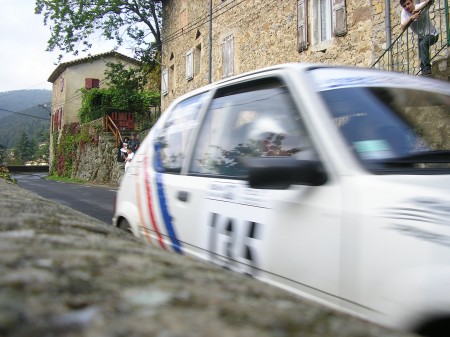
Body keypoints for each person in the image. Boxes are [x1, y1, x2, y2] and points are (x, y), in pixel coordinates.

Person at [400, 0, 439, 76]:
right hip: (421, 36)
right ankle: (423, 70)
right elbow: (402, 27)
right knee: (421, 52)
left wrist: (418, 9)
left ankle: (427, 70)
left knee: (423, 44)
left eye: (408, 4)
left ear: (412, 2)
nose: (407, 7)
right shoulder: (404, 13)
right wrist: (412, 18)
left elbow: (430, 1)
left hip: (433, 34)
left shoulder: (419, 7)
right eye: (404, 6)